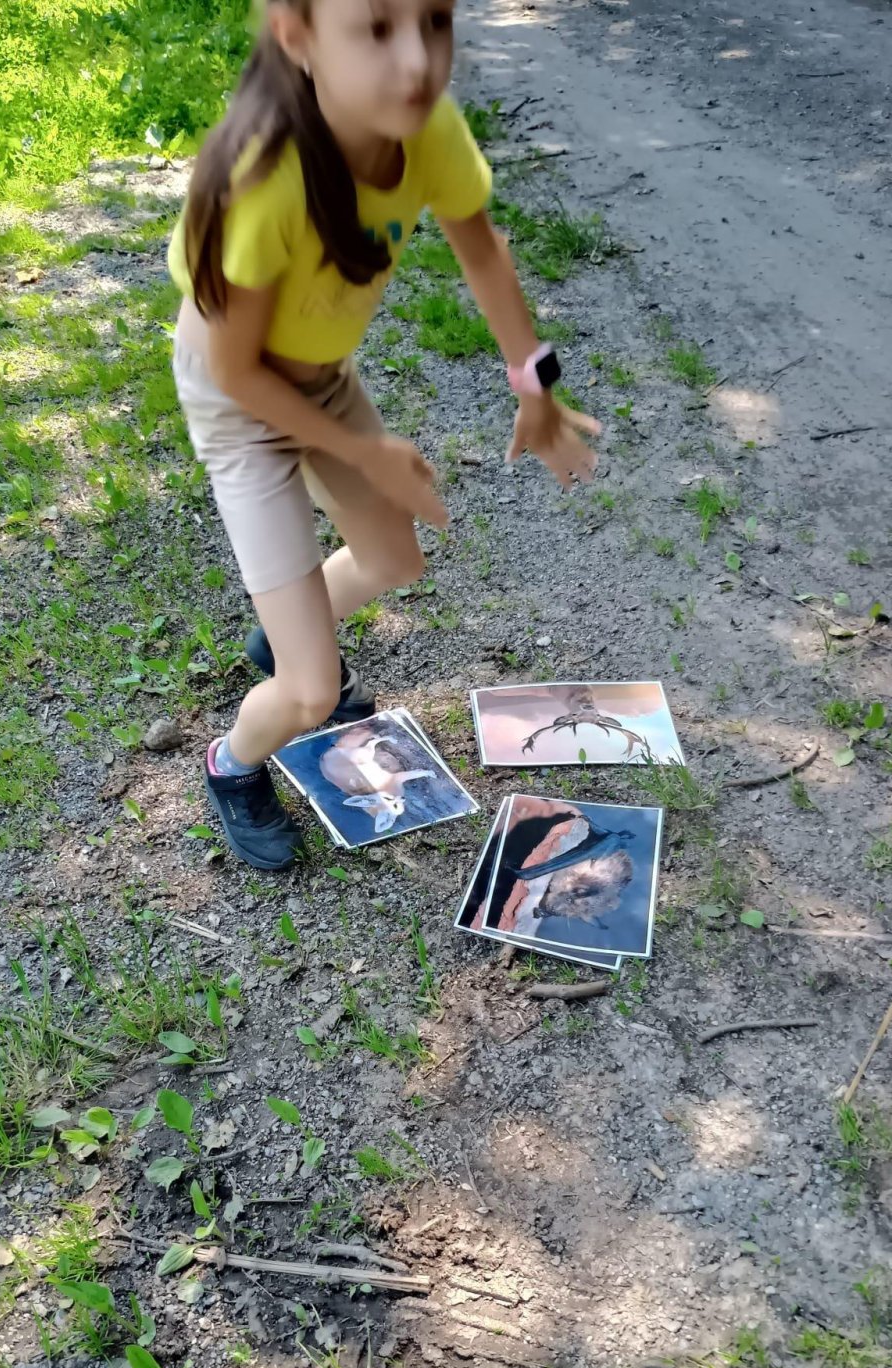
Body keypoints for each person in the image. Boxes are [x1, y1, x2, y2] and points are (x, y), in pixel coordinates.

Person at [168, 0, 600, 870]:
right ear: (297, 34)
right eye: (374, 28)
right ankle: (231, 764)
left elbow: (481, 249)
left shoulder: (426, 127)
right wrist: (366, 452)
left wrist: (535, 385)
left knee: (396, 561)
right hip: (239, 401)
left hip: (320, 377)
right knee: (309, 692)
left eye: (435, 20)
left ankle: (286, 634)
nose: (417, 60)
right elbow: (238, 373)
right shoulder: (264, 178)